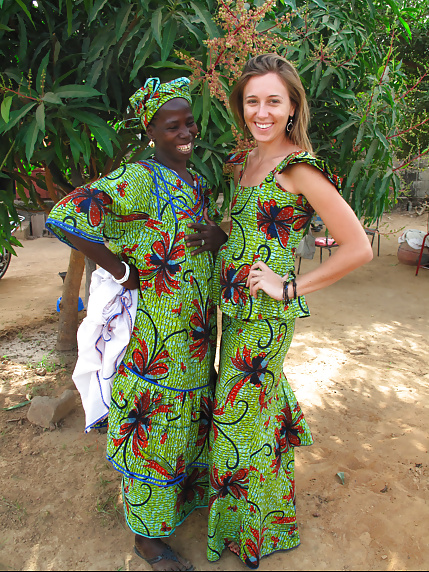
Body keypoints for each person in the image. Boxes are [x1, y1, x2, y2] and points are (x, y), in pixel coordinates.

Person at [46, 76, 226, 572]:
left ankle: (178, 504)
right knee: (156, 425)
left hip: (195, 332)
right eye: (173, 126)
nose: (186, 131)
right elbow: (66, 214)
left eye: (189, 122)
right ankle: (146, 542)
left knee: (187, 420)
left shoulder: (197, 179)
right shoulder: (138, 178)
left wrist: (217, 236)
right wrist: (119, 268)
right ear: (151, 131)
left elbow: (193, 234)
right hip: (159, 337)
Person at [207, 54, 373, 568]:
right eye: (252, 101)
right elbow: (252, 232)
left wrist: (290, 286)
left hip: (264, 323)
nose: (262, 111)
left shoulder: (297, 168)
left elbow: (358, 247)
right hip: (234, 313)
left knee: (241, 424)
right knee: (253, 419)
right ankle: (267, 518)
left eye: (273, 101)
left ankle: (252, 535)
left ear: (292, 105)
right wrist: (222, 239)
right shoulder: (246, 162)